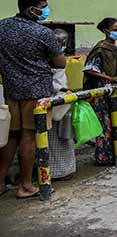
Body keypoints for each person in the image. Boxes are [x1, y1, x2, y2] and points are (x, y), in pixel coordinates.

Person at [0, 0, 67, 198]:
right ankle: (26, 184)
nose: (45, 10)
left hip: (12, 90)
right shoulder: (42, 33)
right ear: (32, 9)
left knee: (12, 135)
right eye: (43, 7)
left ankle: (0, 181)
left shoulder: (2, 27)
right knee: (29, 136)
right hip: (36, 92)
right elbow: (60, 62)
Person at [83, 17, 117, 166]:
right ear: (106, 31)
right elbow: (90, 69)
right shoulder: (100, 49)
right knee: (106, 124)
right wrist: (110, 78)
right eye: (115, 30)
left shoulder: (115, 49)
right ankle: (105, 156)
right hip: (103, 94)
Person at [48, 29, 76, 180]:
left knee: (65, 136)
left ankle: (66, 170)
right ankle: (54, 172)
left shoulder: (60, 58)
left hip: (63, 99)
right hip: (52, 99)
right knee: (53, 139)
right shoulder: (48, 59)